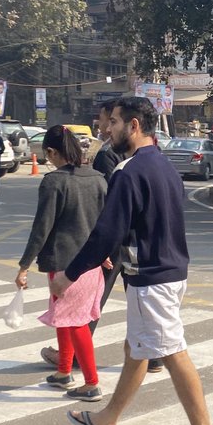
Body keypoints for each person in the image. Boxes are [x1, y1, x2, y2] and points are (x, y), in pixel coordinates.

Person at [53, 96, 213, 425]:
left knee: (173, 352)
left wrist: (70, 274)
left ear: (133, 126)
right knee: (137, 349)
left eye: (112, 122)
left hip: (152, 278)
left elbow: (106, 233)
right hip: (168, 271)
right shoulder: (163, 166)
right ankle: (106, 420)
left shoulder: (129, 171)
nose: (106, 129)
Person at [41, 99, 164, 374]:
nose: (105, 126)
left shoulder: (111, 157)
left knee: (91, 301)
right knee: (130, 299)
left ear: (127, 124)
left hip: (114, 242)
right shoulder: (153, 157)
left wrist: (97, 251)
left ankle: (73, 357)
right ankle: (153, 356)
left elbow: (108, 204)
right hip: (136, 243)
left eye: (110, 121)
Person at [16, 125, 108, 403]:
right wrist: (104, 252)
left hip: (65, 264)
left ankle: (91, 382)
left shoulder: (54, 181)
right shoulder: (99, 179)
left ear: (53, 152)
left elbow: (41, 228)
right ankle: (64, 371)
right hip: (92, 263)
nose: (48, 160)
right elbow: (106, 223)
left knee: (75, 321)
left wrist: (23, 266)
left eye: (48, 155)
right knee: (66, 317)